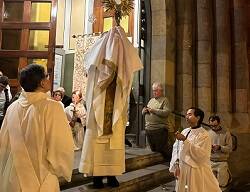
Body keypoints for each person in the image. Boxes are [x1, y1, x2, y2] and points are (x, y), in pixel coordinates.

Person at [78, 26, 143, 188]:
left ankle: (112, 174)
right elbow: (100, 76)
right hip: (99, 103)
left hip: (116, 104)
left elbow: (124, 73)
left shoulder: (118, 54)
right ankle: (97, 177)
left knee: (114, 143)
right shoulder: (99, 55)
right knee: (97, 142)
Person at [0, 64, 74, 192]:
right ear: (42, 83)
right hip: (41, 176)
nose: (49, 79)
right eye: (47, 76)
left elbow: (3, 144)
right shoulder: (52, 107)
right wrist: (59, 169)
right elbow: (61, 146)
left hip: (13, 176)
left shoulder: (12, 108)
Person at [169, 107, 221, 192]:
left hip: (195, 170)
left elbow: (201, 154)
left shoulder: (204, 135)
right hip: (182, 169)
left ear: (198, 118)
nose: (186, 116)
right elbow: (176, 149)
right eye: (186, 114)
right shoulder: (184, 131)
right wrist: (176, 165)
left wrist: (185, 140)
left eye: (189, 114)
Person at [142, 82, 172, 160]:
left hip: (159, 129)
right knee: (154, 150)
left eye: (156, 90)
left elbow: (166, 112)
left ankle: (171, 164)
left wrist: (153, 110)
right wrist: (144, 110)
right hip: (149, 128)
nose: (154, 92)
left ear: (161, 91)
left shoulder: (165, 100)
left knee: (162, 149)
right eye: (153, 90)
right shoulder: (151, 100)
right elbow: (144, 111)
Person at [208, 115, 233, 190]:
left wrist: (220, 147)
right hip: (210, 161)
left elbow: (230, 148)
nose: (213, 128)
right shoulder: (207, 133)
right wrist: (209, 149)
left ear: (219, 123)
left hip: (222, 162)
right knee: (211, 184)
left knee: (222, 184)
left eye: (215, 125)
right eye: (211, 126)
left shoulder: (226, 133)